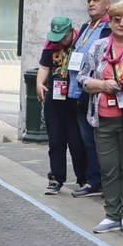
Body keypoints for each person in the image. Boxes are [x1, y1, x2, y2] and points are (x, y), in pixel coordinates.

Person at [78, 0, 123, 234]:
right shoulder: (99, 46)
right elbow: (82, 78)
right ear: (111, 20)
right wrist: (101, 84)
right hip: (103, 117)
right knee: (108, 168)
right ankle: (111, 214)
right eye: (117, 19)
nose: (121, 24)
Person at [64, 0, 111, 198]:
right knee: (82, 140)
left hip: (91, 93)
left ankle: (97, 181)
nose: (91, 4)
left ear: (107, 5)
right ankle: (89, 179)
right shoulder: (86, 26)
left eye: (96, 0)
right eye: (89, 0)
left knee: (93, 140)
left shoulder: (108, 28)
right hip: (75, 91)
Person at [37, 17, 86, 195]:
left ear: (71, 32)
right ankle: (55, 179)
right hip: (54, 100)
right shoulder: (51, 45)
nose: (58, 41)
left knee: (77, 143)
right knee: (56, 142)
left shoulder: (82, 42)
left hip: (75, 100)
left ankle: (83, 179)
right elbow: (44, 67)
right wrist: (39, 83)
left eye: (62, 38)